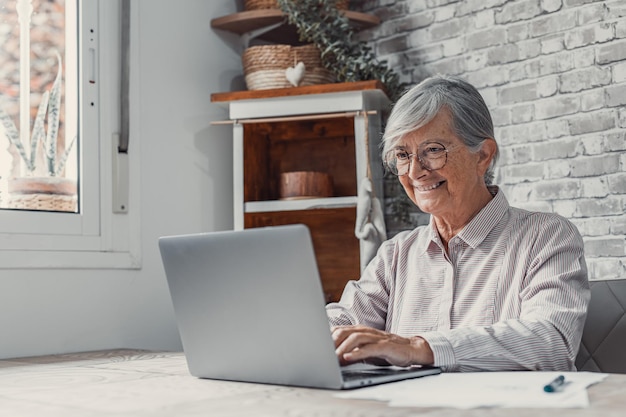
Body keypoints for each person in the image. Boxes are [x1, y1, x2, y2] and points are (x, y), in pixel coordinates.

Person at [327, 75, 590, 372]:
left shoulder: (546, 236)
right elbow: (343, 322)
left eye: (433, 150)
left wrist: (418, 348)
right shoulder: (395, 255)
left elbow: (552, 340)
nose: (415, 171)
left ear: (483, 155)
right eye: (403, 155)